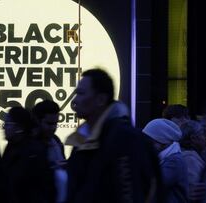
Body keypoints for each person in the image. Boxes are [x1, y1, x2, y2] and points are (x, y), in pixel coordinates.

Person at [66, 68, 160, 203]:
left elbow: (130, 193)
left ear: (100, 99)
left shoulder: (124, 139)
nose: (74, 101)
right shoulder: (83, 140)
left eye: (81, 93)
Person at [3, 106, 55, 203]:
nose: (4, 127)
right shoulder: (11, 147)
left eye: (7, 124)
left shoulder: (34, 152)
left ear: (19, 128)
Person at [143, 118, 189, 203]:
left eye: (150, 142)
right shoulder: (164, 157)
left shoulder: (174, 161)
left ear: (162, 142)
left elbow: (154, 184)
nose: (146, 145)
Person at [32, 100, 67, 203]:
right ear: (37, 121)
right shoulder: (27, 145)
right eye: (49, 124)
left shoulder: (56, 141)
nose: (53, 128)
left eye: (56, 124)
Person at [180, 120, 206, 202]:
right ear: (193, 138)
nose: (205, 138)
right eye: (202, 134)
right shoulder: (189, 159)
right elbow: (195, 192)